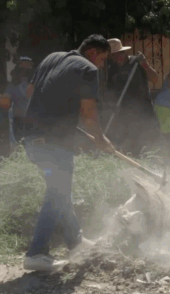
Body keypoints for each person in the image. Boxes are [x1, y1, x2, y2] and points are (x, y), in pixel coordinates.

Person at [21, 35, 116, 273]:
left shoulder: (52, 58)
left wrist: (60, 118)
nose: (102, 65)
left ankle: (76, 242)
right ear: (93, 52)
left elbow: (31, 92)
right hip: (53, 144)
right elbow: (88, 114)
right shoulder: (88, 69)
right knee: (57, 193)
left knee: (61, 191)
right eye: (103, 59)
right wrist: (101, 140)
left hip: (32, 139)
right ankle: (36, 253)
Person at [104, 38, 159, 155]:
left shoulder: (136, 63)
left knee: (148, 144)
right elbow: (110, 92)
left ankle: (150, 165)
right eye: (112, 56)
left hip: (144, 110)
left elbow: (155, 79)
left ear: (123, 52)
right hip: (125, 114)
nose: (115, 58)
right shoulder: (112, 69)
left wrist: (145, 64)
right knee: (130, 145)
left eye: (117, 54)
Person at [0, 56, 34, 149]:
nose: (25, 70)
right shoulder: (13, 85)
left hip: (32, 119)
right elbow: (5, 101)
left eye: (28, 67)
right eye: (23, 67)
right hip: (18, 119)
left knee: (31, 143)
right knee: (19, 144)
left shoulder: (35, 83)